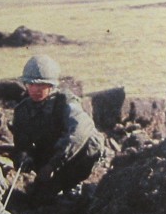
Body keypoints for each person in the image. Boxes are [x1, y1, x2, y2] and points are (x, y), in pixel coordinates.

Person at [11, 55, 104, 204]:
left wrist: (52, 165)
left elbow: (78, 133)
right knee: (41, 198)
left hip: (69, 156)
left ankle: (73, 184)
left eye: (41, 85)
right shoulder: (22, 111)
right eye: (30, 85)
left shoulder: (67, 102)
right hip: (48, 157)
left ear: (51, 86)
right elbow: (21, 144)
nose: (35, 89)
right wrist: (24, 157)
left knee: (92, 141)